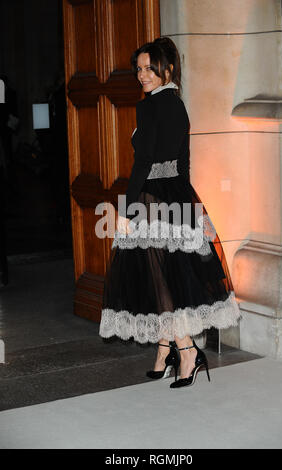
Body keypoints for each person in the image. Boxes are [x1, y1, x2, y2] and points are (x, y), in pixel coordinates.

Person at [99, 37, 241, 388]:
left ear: (168, 68)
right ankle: (166, 349)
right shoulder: (177, 104)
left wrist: (128, 209)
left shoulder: (149, 107)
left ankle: (186, 351)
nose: (142, 75)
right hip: (176, 195)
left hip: (153, 200)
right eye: (139, 69)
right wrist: (189, 205)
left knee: (161, 278)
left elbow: (143, 162)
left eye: (149, 68)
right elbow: (183, 162)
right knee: (165, 275)